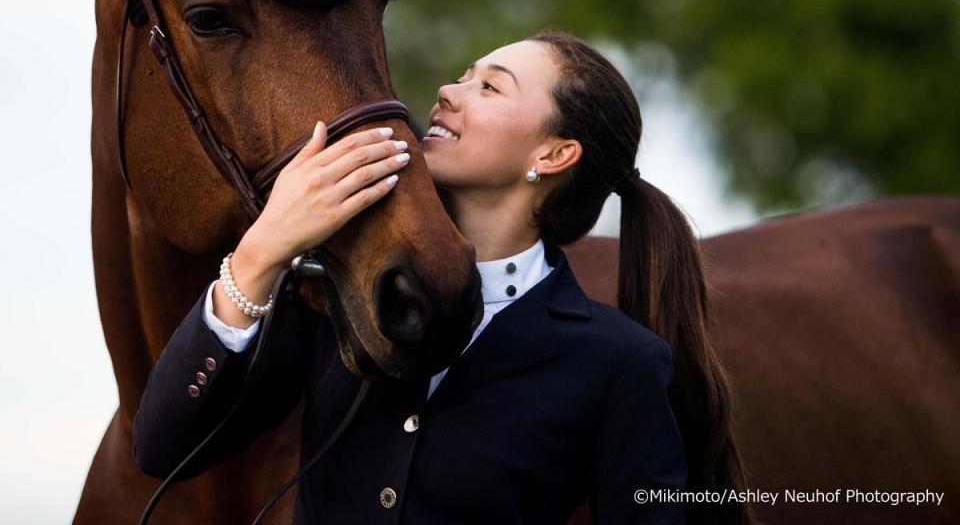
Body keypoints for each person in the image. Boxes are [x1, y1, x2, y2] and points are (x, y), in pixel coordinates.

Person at [133, 30, 748, 524]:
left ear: (553, 155)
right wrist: (262, 249)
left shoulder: (618, 362)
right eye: (462, 75)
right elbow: (163, 445)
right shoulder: (332, 292)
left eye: (490, 87)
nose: (449, 93)